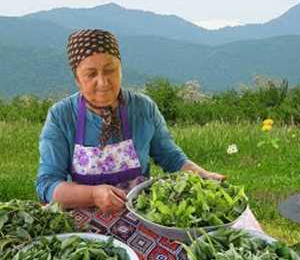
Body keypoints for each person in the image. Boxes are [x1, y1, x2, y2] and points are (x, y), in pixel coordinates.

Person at [36, 29, 224, 215]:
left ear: (121, 69)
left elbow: (171, 158)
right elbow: (47, 184)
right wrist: (93, 195)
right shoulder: (62, 116)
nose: (103, 82)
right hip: (80, 219)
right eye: (91, 74)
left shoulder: (143, 108)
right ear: (77, 78)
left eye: (110, 70)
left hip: (139, 213)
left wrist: (204, 176)